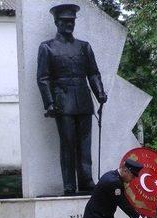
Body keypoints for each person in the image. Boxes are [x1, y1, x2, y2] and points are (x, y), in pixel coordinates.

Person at [37, 4, 107, 196]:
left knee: (85, 144)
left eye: (72, 21)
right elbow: (43, 78)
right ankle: (69, 184)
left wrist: (100, 91)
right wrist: (50, 103)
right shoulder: (47, 47)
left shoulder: (84, 47)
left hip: (83, 100)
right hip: (62, 102)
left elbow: (93, 73)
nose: (69, 24)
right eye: (65, 21)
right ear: (56, 22)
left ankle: (86, 181)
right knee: (68, 144)